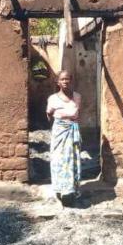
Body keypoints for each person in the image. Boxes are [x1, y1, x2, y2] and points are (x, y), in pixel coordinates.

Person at [46, 70, 82, 206]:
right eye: (62, 79)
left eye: (68, 79)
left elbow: (78, 113)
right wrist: (60, 122)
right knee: (58, 159)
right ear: (58, 82)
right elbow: (49, 115)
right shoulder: (53, 99)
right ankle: (60, 189)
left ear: (71, 81)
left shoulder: (77, 97)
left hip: (73, 131)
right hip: (59, 132)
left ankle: (70, 191)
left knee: (72, 159)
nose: (65, 82)